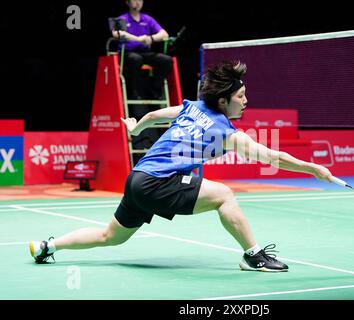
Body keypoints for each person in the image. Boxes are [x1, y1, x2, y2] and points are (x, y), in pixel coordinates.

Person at [29, 61, 334, 272]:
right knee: (225, 195)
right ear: (225, 100)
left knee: (111, 236)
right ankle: (253, 256)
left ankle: (48, 245)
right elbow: (271, 157)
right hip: (157, 182)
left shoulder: (193, 107)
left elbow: (155, 116)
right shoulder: (225, 132)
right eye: (241, 96)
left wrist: (135, 129)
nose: (246, 101)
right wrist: (313, 168)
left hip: (137, 178)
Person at [113, 0, 173, 100]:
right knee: (136, 59)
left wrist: (151, 38)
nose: (137, 2)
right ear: (127, 2)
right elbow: (116, 33)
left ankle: (154, 89)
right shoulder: (122, 18)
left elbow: (164, 34)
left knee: (166, 60)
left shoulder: (147, 19)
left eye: (140, 0)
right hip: (127, 54)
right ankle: (134, 92)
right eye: (134, 0)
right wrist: (138, 39)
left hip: (145, 53)